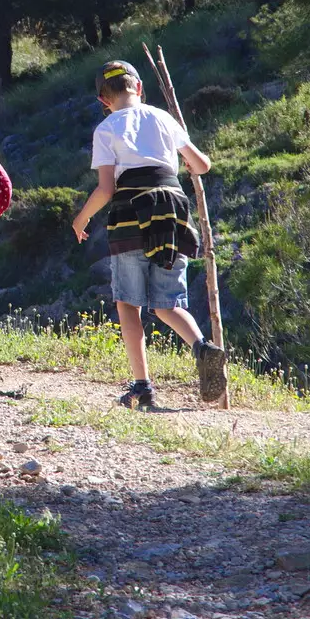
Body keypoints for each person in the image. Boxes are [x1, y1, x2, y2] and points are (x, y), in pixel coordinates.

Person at [70, 60, 228, 408]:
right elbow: (201, 164)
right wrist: (185, 162)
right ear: (139, 88)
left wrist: (80, 220)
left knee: (128, 302)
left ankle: (142, 385)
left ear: (103, 100)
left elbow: (106, 188)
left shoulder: (106, 128)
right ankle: (202, 347)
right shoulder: (162, 117)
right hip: (173, 207)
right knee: (166, 303)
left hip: (131, 212)